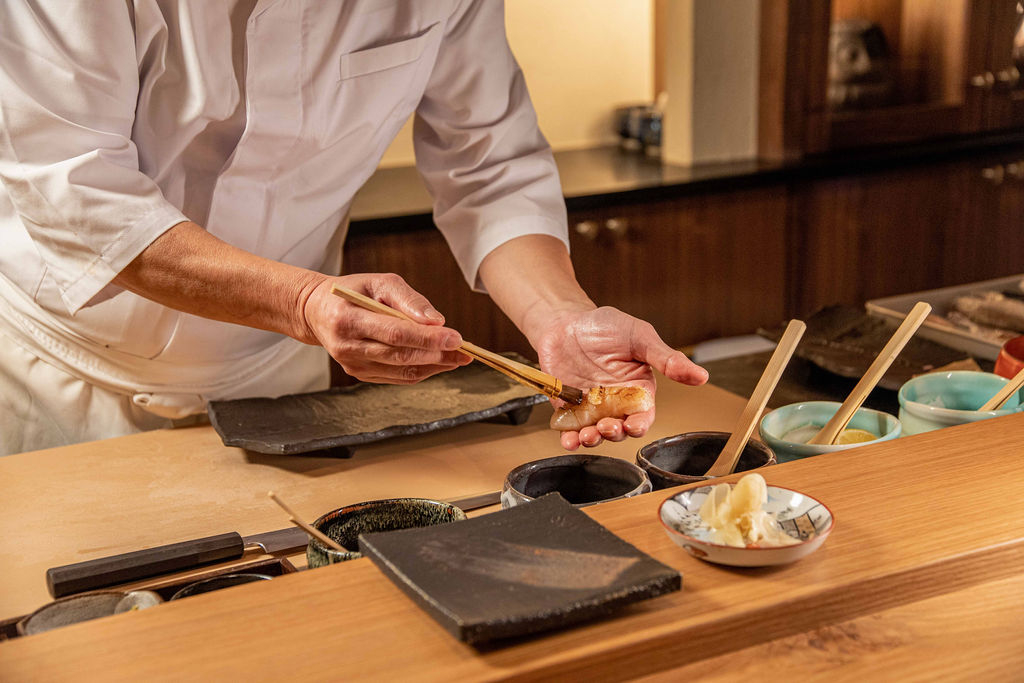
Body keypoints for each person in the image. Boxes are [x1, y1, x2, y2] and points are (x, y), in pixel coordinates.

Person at [0, 0, 707, 457]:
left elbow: (490, 166)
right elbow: (76, 186)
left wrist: (561, 319)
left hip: (276, 379)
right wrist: (302, 302)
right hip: (69, 375)